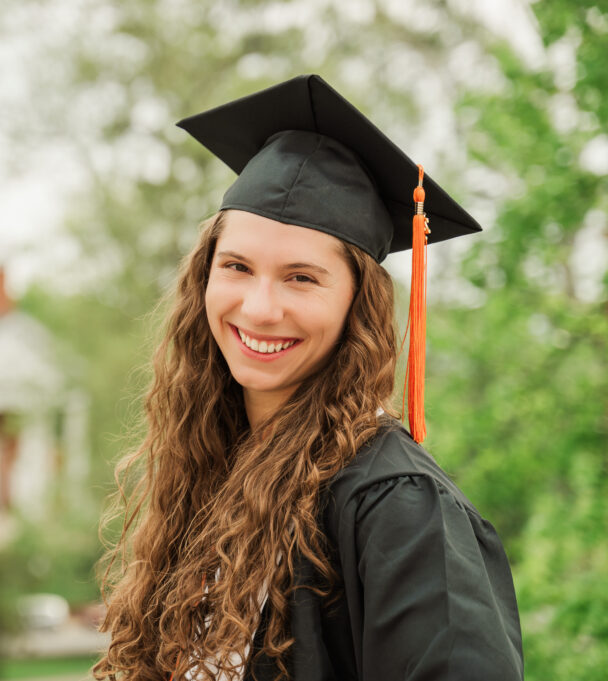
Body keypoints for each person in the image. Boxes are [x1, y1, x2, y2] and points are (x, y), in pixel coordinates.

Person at [93, 75, 524, 681]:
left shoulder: (397, 505)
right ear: (204, 281)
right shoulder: (211, 473)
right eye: (237, 267)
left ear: (359, 305)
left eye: (302, 277)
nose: (261, 307)